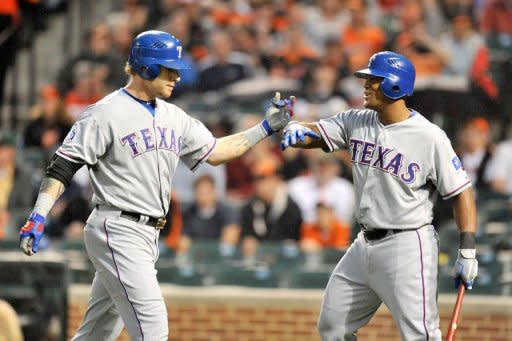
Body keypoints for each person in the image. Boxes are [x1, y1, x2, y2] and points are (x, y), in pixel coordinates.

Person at [18, 30, 294, 341]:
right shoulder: (104, 113)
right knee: (152, 329)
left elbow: (216, 152)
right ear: (146, 67)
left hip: (147, 233)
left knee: (97, 334)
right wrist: (39, 214)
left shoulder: (174, 116)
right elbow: (64, 165)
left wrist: (265, 127)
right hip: (118, 226)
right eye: (169, 68)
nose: (177, 76)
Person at [280, 51, 479, 340]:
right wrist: (298, 129)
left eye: (374, 80)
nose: (366, 85)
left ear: (395, 85)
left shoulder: (429, 136)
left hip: (408, 245)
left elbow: (462, 193)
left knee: (419, 336)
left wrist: (468, 250)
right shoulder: (358, 120)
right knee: (333, 326)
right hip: (363, 244)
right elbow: (319, 133)